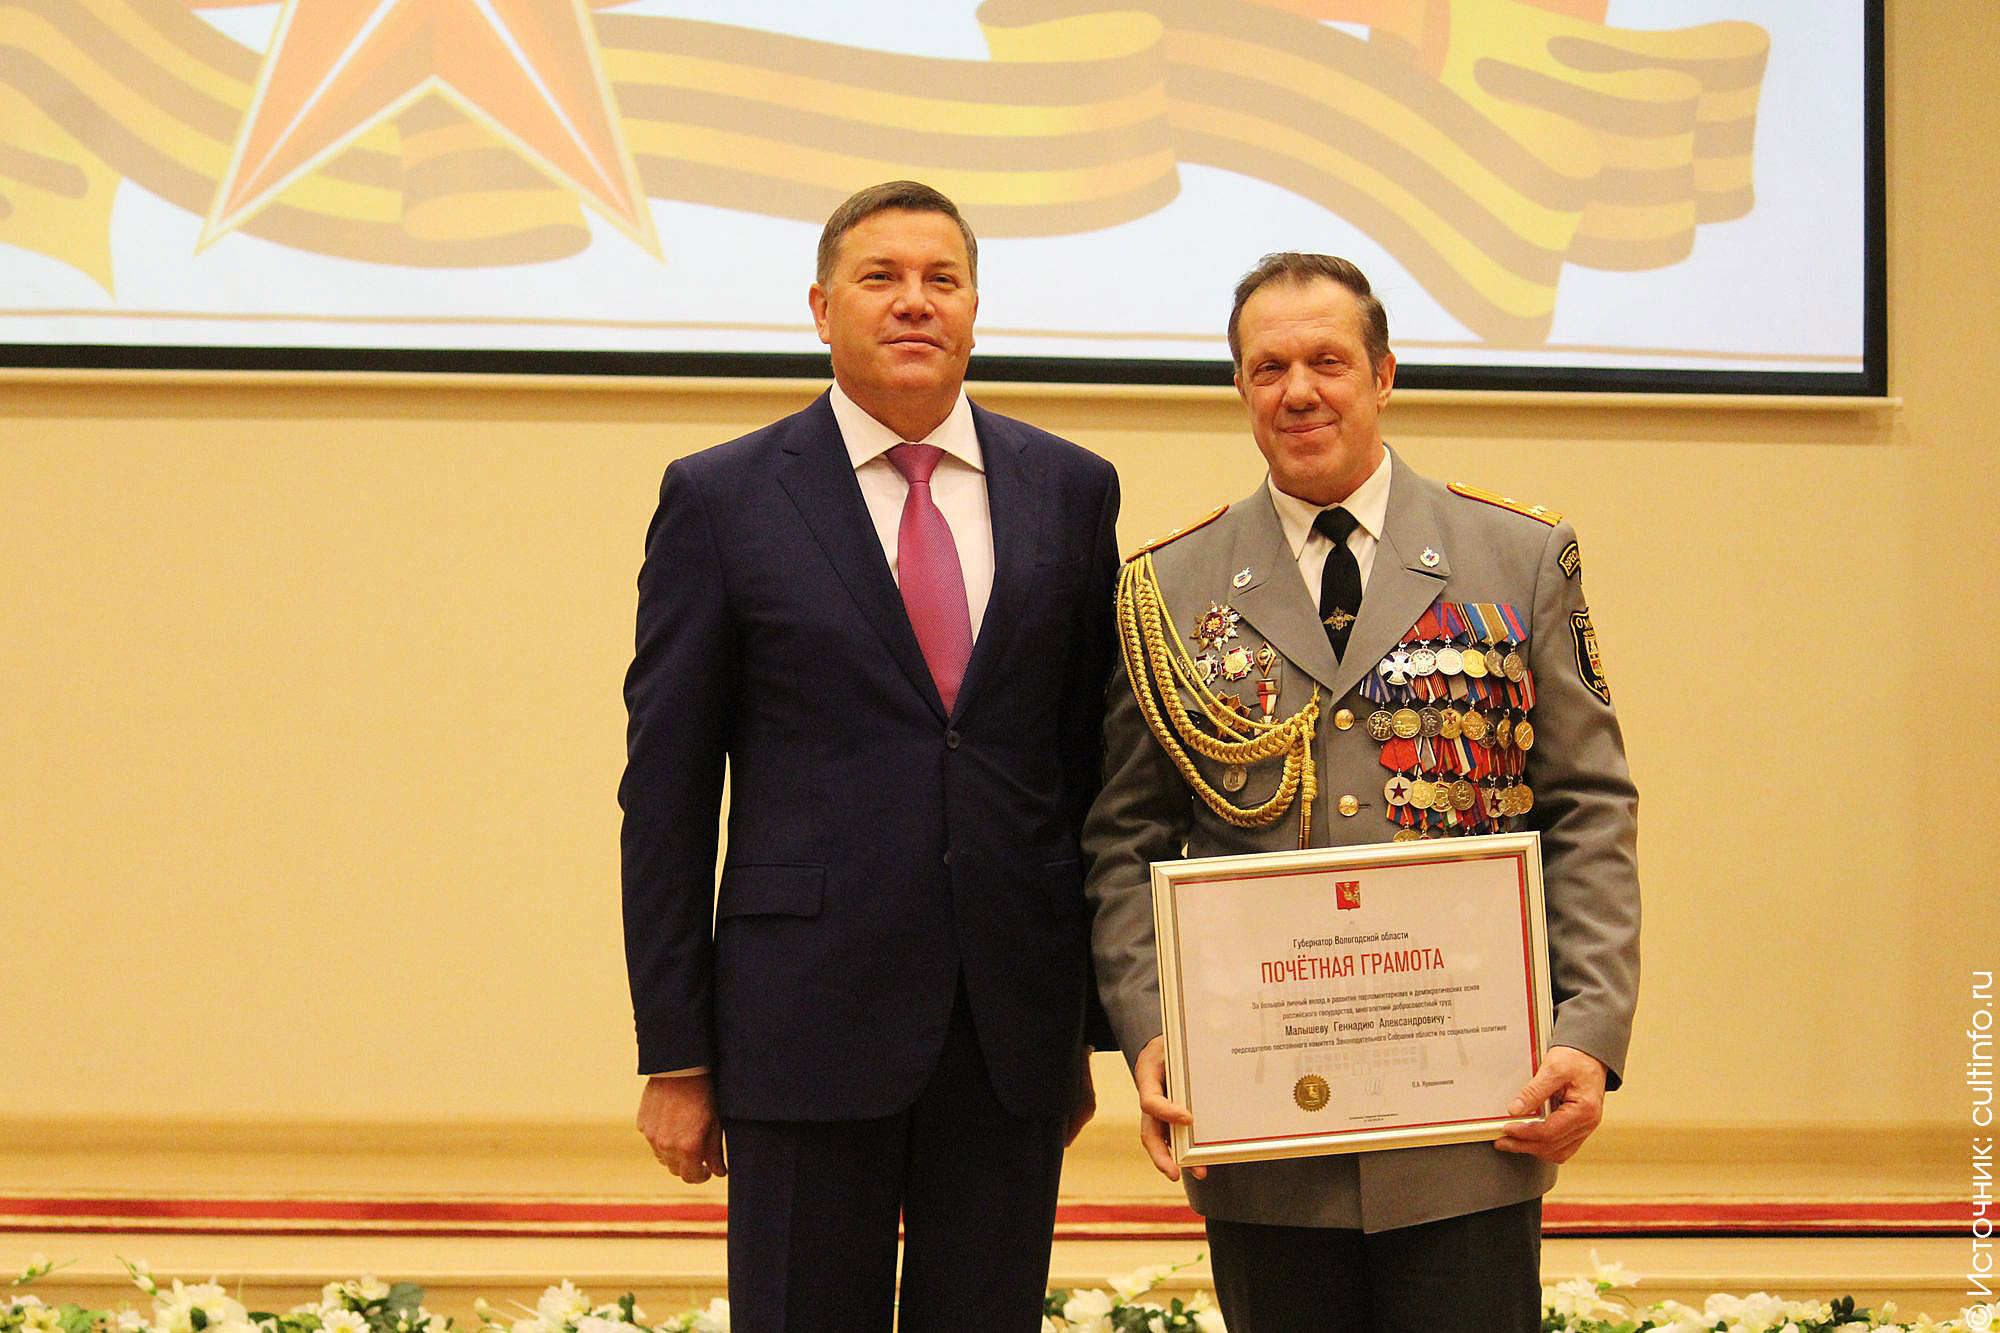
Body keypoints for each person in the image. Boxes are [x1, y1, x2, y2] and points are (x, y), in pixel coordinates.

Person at [1082, 252, 1639, 1331]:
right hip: (1260, 1129)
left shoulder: (1517, 555)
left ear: (1383, 374)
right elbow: (1123, 838)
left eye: (1327, 362)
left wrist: (1590, 1028)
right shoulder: (1164, 588)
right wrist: (1153, 1027)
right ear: (1240, 387)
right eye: (1268, 368)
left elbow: (1588, 805)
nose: (1298, 391)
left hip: (1471, 1121)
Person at [618, 181, 1119, 1333]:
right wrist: (676, 1051)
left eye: (941, 279)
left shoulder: (1068, 489)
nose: (913, 302)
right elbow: (667, 794)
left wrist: (1081, 1029)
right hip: (800, 1022)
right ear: (820, 307)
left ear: (975, 309)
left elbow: (1083, 773)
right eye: (879, 277)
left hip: (1006, 1028)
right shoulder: (721, 497)